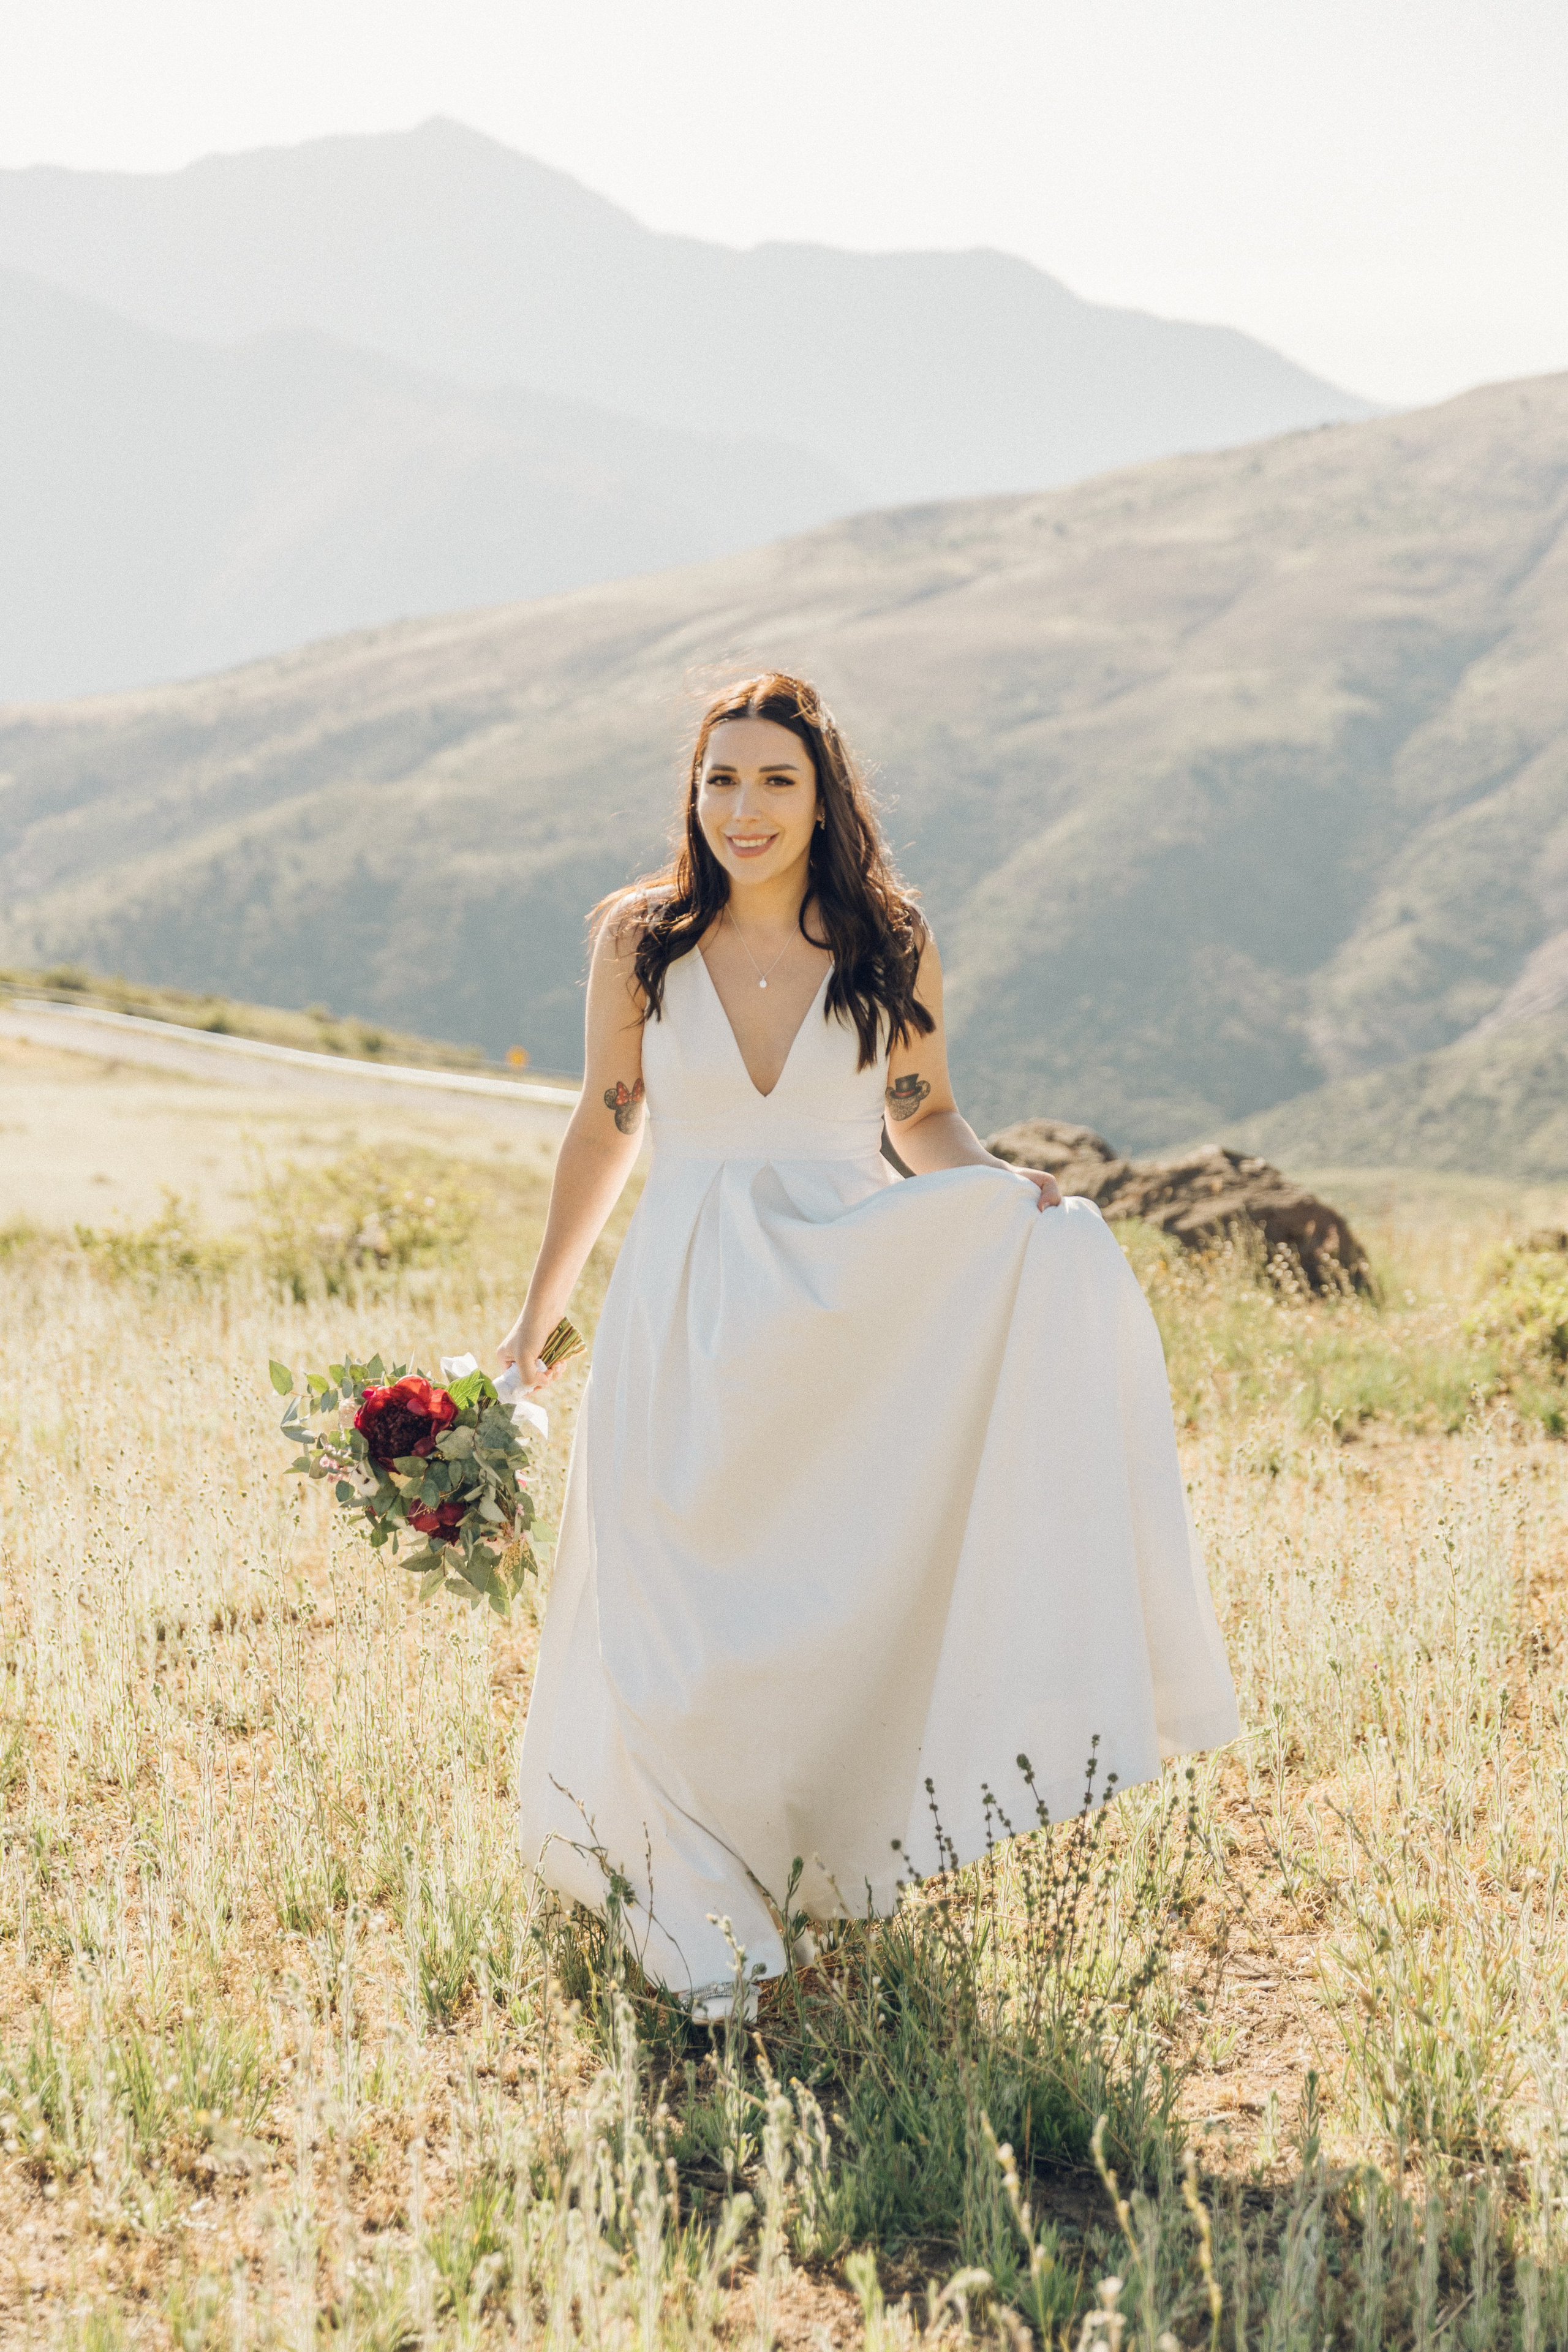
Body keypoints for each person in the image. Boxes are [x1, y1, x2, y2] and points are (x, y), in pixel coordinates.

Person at [499, 673, 1238, 2015]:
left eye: (774, 780)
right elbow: (608, 1128)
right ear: (693, 794)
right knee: (665, 1593)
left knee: (814, 1596)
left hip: (843, 1306)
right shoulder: (639, 942)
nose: (744, 808)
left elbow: (923, 1113)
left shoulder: (888, 942)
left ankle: (808, 1854)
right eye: (719, 779)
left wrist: (1001, 1201)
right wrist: (532, 1324)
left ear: (823, 794)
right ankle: (687, 1879)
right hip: (682, 1301)